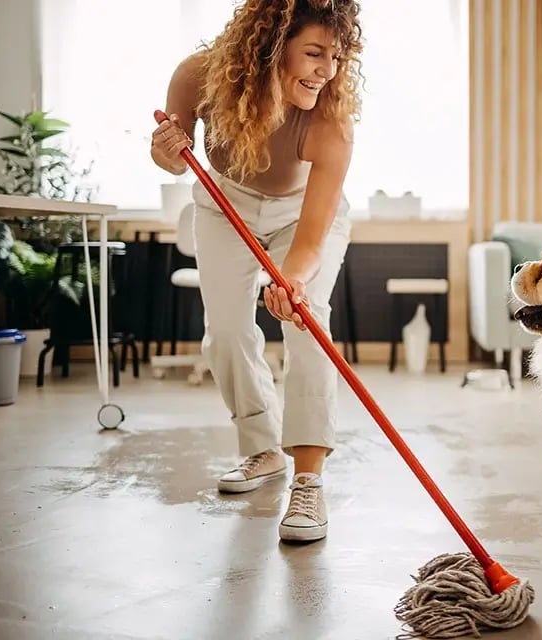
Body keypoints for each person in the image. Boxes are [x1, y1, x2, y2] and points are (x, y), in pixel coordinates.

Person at [149, 0, 363, 544]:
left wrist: (290, 279)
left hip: (302, 216)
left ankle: (309, 480)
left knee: (307, 318)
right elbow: (176, 158)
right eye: (314, 53)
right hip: (224, 206)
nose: (327, 71)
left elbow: (312, 237)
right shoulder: (198, 75)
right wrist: (168, 151)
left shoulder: (330, 122)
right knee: (224, 330)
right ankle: (262, 449)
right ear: (269, 47)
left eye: (336, 57)